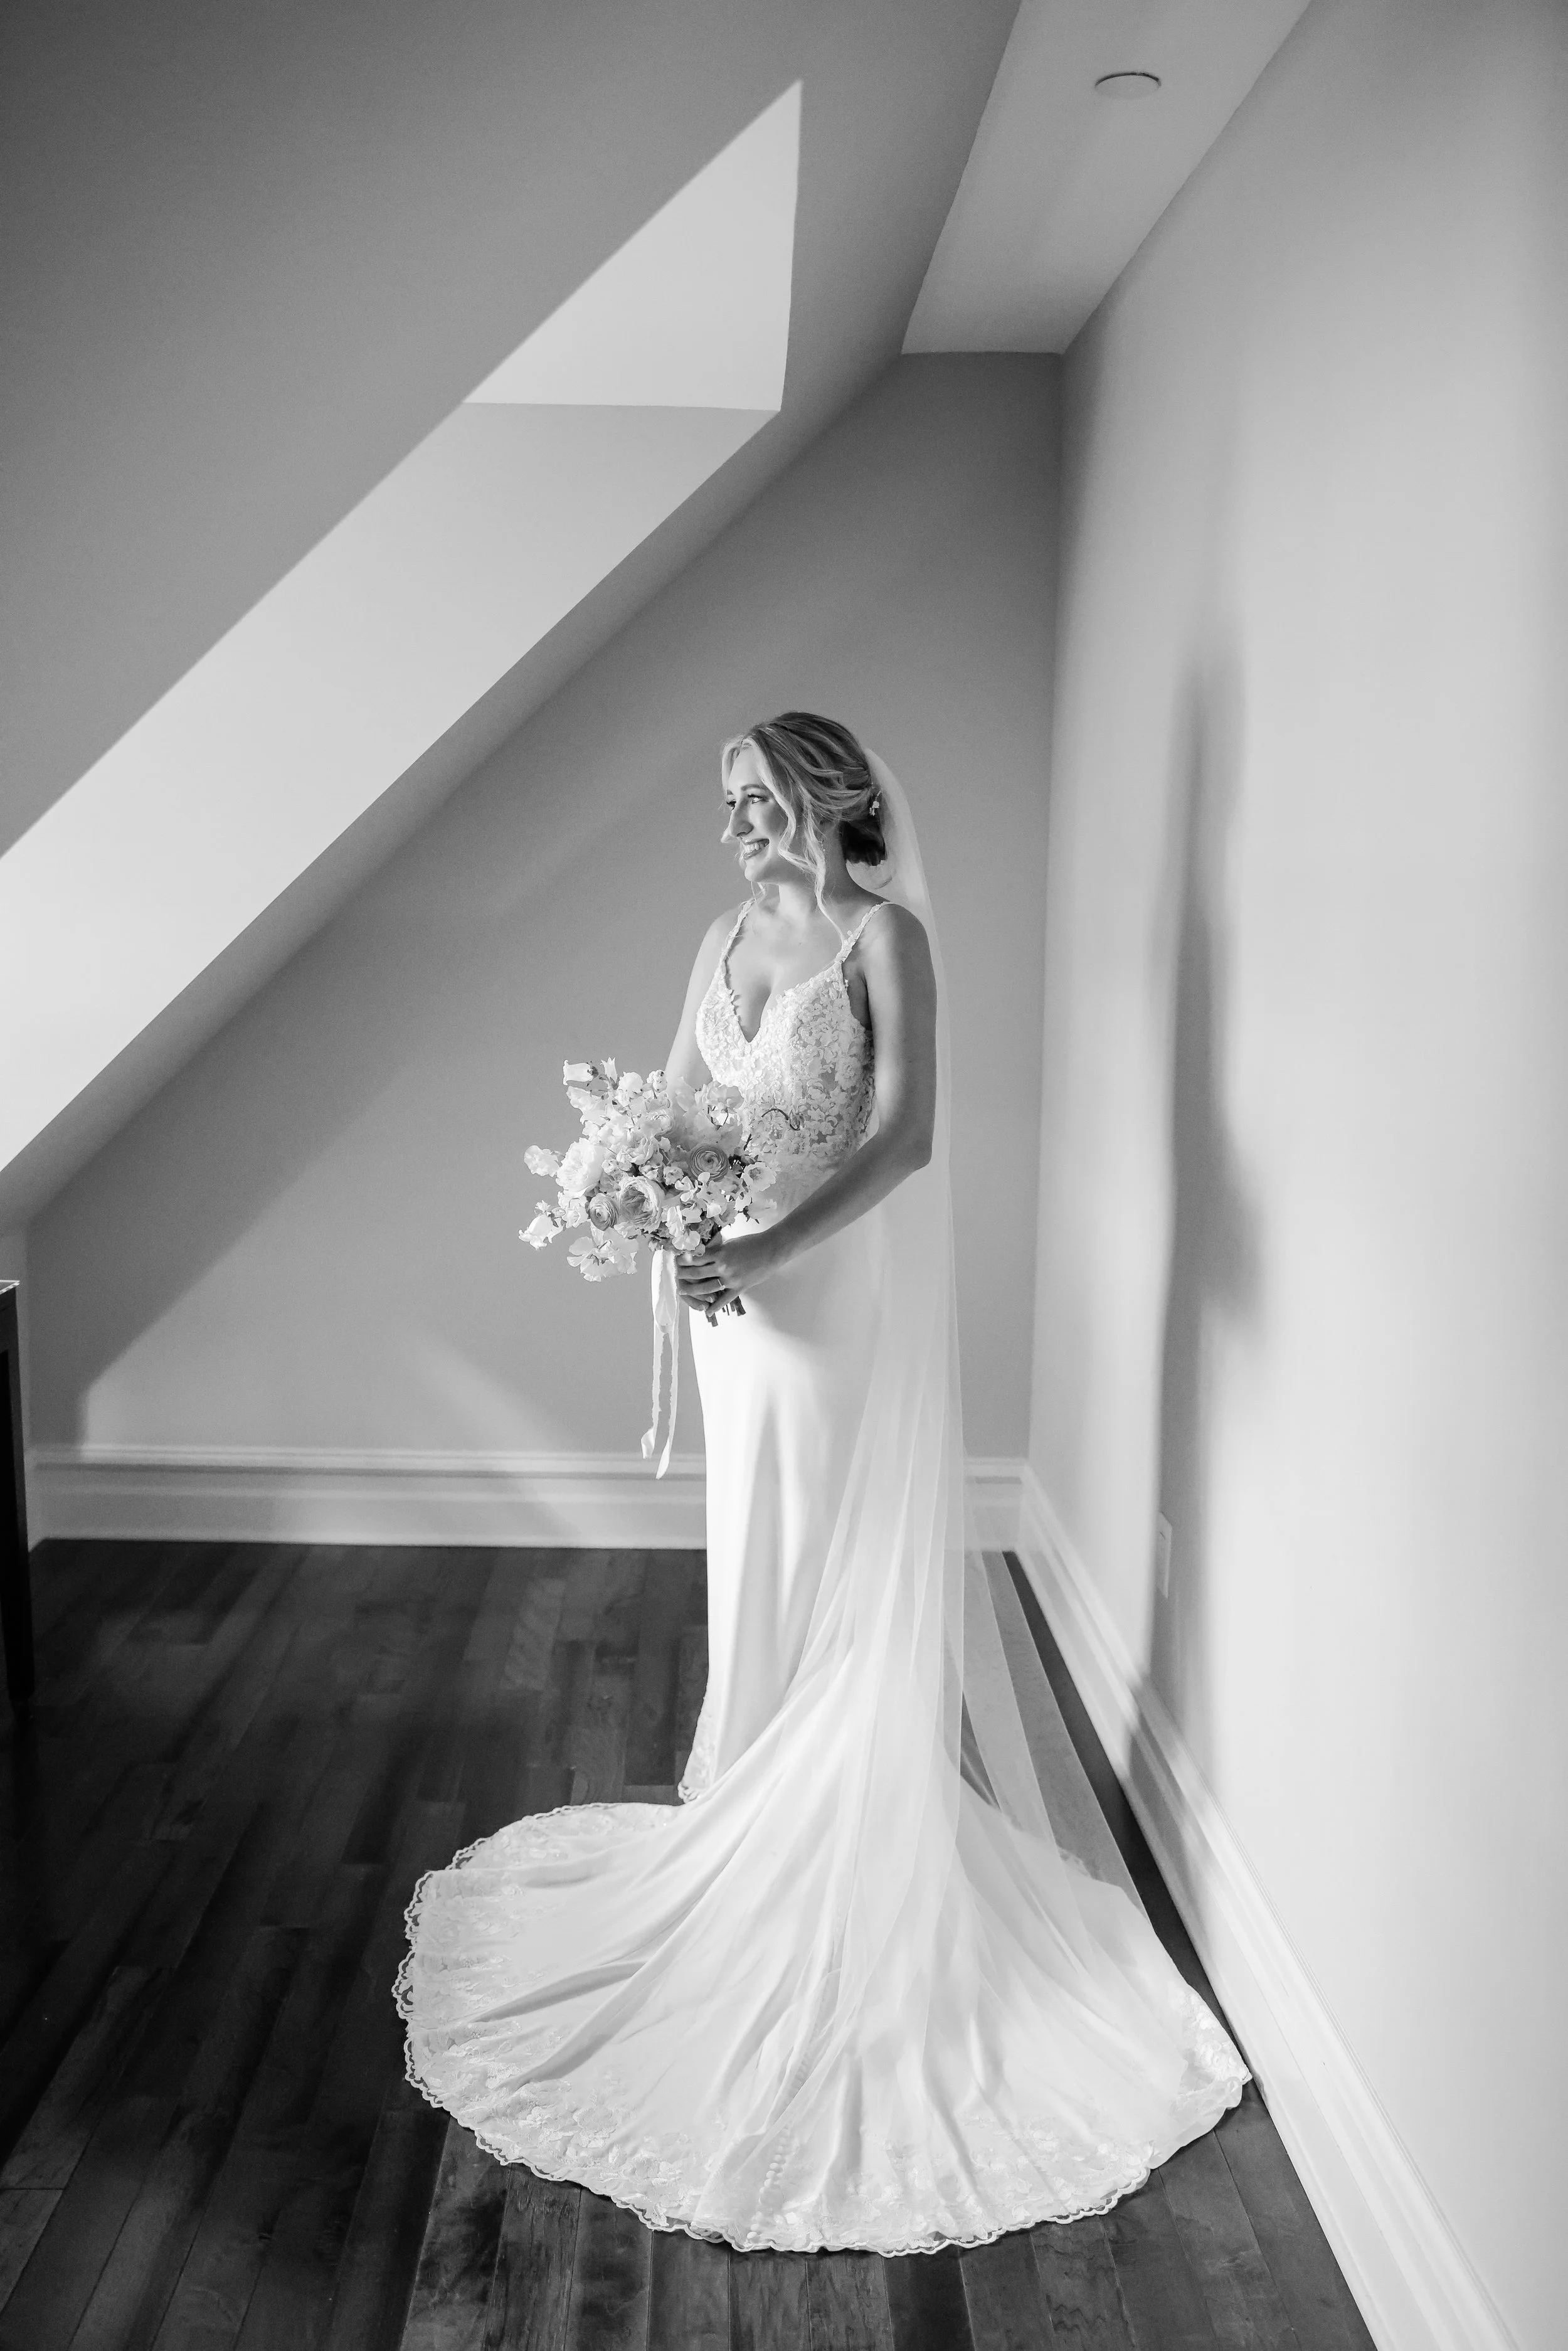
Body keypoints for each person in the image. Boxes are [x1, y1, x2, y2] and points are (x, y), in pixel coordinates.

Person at [397, 713, 1248, 2253]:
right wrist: (632, 1183)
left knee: (821, 1540)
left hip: (824, 1294)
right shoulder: (724, 932)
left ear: (831, 795)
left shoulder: (884, 938)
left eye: (759, 793)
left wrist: (767, 1241)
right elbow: (682, 1099)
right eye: (722, 797)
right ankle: (743, 1817)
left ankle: (827, 1854)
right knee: (752, 1550)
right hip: (732, 1303)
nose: (735, 819)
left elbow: (907, 1134)